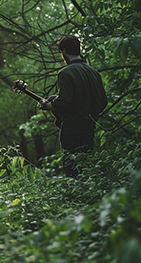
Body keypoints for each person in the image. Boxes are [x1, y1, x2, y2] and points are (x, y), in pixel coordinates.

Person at [39, 35, 107, 177]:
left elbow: (65, 101)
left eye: (61, 53)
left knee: (71, 166)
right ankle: (88, 195)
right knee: (87, 166)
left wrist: (48, 106)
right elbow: (103, 102)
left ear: (64, 51)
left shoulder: (65, 73)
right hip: (89, 127)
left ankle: (75, 196)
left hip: (72, 128)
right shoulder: (94, 72)